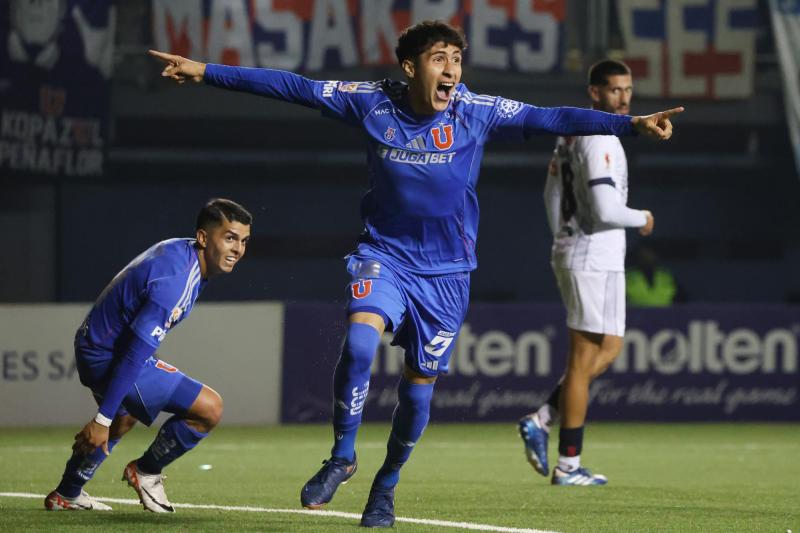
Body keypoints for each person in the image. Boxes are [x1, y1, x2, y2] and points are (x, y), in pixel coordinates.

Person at [150, 21, 681, 527]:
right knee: (360, 345)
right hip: (384, 254)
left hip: (447, 274)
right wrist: (204, 70)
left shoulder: (475, 110)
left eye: (456, 60)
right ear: (410, 66)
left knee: (418, 392)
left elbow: (552, 118)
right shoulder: (372, 102)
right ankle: (341, 456)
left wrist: (630, 126)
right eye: (438, 59)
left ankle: (386, 486)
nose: (451, 69)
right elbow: (295, 86)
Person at [44, 198, 252, 513]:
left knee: (124, 416)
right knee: (209, 408)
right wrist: (101, 419)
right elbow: (134, 355)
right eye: (230, 237)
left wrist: (109, 417)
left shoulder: (179, 254)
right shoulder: (176, 282)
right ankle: (147, 472)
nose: (237, 249)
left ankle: (67, 493)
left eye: (243, 241)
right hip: (108, 355)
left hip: (94, 345)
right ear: (203, 237)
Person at [518, 59, 654, 486]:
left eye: (628, 89)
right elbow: (605, 209)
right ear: (594, 92)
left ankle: (542, 418)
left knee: (607, 349)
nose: (624, 97)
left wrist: (562, 233)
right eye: (615, 90)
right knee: (583, 359)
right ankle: (568, 465)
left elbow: (550, 191)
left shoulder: (572, 135)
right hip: (594, 255)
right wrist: (643, 218)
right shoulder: (600, 138)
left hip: (586, 251)